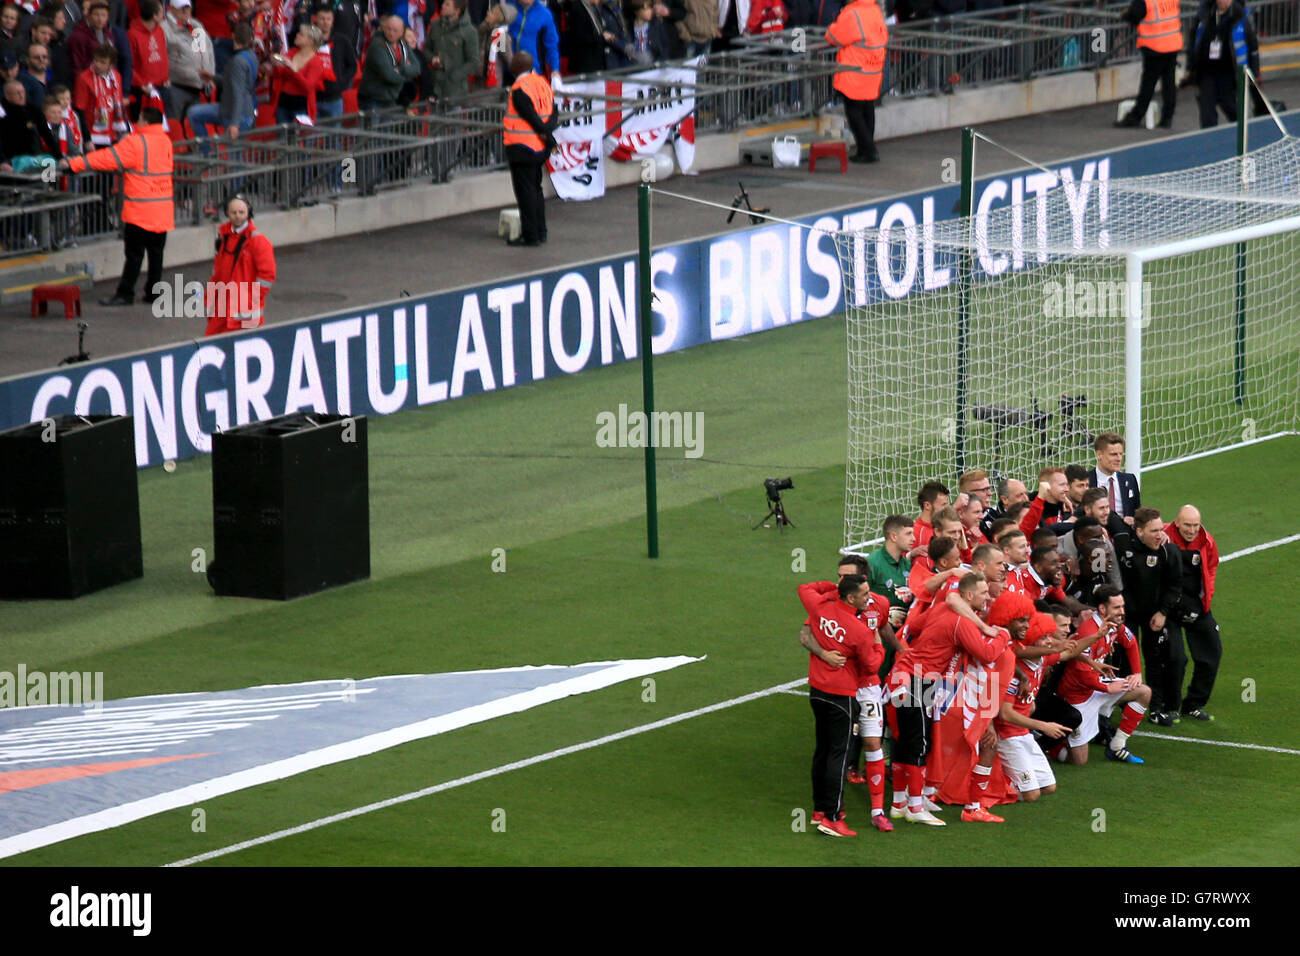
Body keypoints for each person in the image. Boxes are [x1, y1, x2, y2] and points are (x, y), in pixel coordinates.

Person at [887, 571, 1006, 826]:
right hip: (917, 681)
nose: (988, 597)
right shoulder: (961, 623)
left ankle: (899, 804)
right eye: (984, 593)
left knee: (905, 742)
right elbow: (986, 653)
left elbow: (914, 628)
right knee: (918, 745)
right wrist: (1003, 635)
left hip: (907, 675)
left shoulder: (941, 608)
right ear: (970, 595)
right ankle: (915, 808)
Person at [797, 573, 883, 837]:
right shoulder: (859, 631)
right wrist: (879, 646)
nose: (869, 599)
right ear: (850, 597)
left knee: (823, 750)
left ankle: (820, 810)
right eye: (865, 594)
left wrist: (833, 586)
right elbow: (871, 666)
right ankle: (833, 817)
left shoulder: (819, 607)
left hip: (817, 690)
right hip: (842, 695)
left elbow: (805, 587)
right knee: (840, 754)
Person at [60, 104, 172, 305]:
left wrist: (74, 164)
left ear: (144, 121)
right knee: (156, 254)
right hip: (162, 209)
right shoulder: (165, 141)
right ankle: (154, 293)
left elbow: (107, 158)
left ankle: (125, 293)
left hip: (140, 210)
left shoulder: (136, 142)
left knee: (134, 255)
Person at [1057, 585, 1151, 764]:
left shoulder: (1115, 625)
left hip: (1098, 686)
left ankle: (1117, 746)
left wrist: (1137, 673)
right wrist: (1107, 687)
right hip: (1078, 697)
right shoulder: (1088, 631)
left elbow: (1130, 643)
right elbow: (1081, 671)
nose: (1122, 611)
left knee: (1143, 691)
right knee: (1078, 761)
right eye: (1117, 607)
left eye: (1122, 606)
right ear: (1102, 608)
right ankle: (1051, 746)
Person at [1114, 506, 1184, 726]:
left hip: (1155, 614)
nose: (1159, 534)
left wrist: (1163, 612)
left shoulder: (1167, 551)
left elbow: (1175, 585)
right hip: (1128, 614)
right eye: (1153, 530)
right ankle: (1128, 704)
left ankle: (1156, 708)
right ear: (1139, 531)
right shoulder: (1122, 542)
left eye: (1160, 529)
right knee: (1126, 658)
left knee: (1156, 659)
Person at [1163, 504, 1220, 721]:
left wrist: (1207, 598)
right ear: (1177, 522)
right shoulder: (1164, 537)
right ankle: (1170, 706)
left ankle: (1193, 704)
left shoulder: (1207, 540)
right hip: (1170, 608)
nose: (1192, 529)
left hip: (1197, 606)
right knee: (1176, 658)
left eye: (1196, 525)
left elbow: (1212, 567)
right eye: (1187, 525)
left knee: (1212, 653)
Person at [502, 49, 554, 248]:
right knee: (536, 189)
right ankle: (541, 231)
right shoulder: (542, 83)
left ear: (518, 66)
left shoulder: (519, 88)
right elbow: (552, 113)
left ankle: (530, 235)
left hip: (522, 147)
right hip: (539, 148)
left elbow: (530, 116)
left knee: (526, 194)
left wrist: (545, 134)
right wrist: (548, 136)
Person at [204, 194, 275, 335]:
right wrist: (210, 301)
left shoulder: (258, 242)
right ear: (227, 213)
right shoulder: (223, 238)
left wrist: (248, 301)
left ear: (248, 213)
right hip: (222, 311)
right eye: (233, 212)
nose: (237, 216)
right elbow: (217, 273)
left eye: (241, 212)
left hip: (245, 315)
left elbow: (267, 277)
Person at [825, 0, 886, 164]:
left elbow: (835, 37)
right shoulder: (874, 9)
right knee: (867, 108)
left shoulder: (852, 13)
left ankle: (869, 149)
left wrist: (830, 28)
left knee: (854, 112)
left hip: (855, 69)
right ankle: (865, 149)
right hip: (873, 67)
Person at [1187, 0, 1263, 129]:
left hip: (1229, 72)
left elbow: (1253, 47)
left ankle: (1243, 132)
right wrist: (1191, 66)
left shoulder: (1241, 16)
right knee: (1207, 113)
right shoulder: (1204, 14)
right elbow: (1194, 40)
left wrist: (1254, 72)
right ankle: (1209, 139)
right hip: (1207, 71)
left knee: (1230, 106)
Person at [1115, 0, 1181, 129]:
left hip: (1155, 45)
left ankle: (1136, 116)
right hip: (1172, 43)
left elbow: (1134, 16)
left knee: (1148, 84)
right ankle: (1167, 116)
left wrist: (1124, 15)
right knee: (1169, 83)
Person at [186, 19, 253, 137]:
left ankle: (206, 153)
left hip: (234, 114)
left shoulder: (238, 61)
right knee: (193, 113)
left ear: (233, 36)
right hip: (241, 111)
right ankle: (207, 154)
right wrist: (213, 78)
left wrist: (235, 124)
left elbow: (238, 93)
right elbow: (237, 82)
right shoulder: (252, 56)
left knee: (235, 155)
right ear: (250, 39)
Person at [163, 0, 213, 122]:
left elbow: (206, 53)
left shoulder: (196, 26)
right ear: (171, 9)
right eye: (181, 8)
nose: (185, 11)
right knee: (175, 126)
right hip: (176, 87)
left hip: (197, 88)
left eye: (187, 8)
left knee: (194, 129)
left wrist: (209, 75)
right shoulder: (164, 28)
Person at [357, 13, 419, 111]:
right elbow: (389, 75)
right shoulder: (377, 45)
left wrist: (400, 69)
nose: (391, 33)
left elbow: (417, 67)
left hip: (391, 99)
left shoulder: (402, 44)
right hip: (373, 100)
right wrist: (407, 75)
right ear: (384, 28)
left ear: (402, 32)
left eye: (395, 30)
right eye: (388, 29)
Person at [269, 20, 323, 123]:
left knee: (300, 137)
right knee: (282, 136)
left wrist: (294, 71)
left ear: (311, 41)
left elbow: (308, 87)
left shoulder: (316, 62)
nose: (297, 35)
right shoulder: (292, 52)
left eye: (301, 34)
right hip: (283, 103)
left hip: (301, 106)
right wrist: (276, 64)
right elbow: (279, 74)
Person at [71, 40, 126, 143]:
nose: (97, 64)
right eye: (96, 60)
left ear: (111, 65)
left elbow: (120, 105)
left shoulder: (116, 77)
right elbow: (80, 111)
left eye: (102, 62)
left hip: (114, 134)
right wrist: (87, 139)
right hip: (93, 135)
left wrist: (125, 130)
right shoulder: (84, 78)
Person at [423, 0, 476, 102]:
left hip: (455, 91)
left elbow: (473, 61)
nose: (442, 6)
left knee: (453, 116)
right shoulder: (435, 25)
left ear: (457, 10)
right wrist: (432, 59)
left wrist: (453, 77)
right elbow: (426, 49)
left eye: (447, 4)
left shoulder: (469, 31)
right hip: (434, 86)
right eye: (443, 3)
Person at [126, 0, 168, 121]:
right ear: (154, 16)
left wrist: (166, 77)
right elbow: (129, 65)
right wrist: (141, 84)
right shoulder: (132, 34)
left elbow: (163, 55)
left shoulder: (159, 30)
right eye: (161, 12)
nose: (164, 15)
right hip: (143, 91)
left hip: (162, 87)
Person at [1089, 431, 1140, 527]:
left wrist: (1134, 520)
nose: (1119, 458)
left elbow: (1137, 512)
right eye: (1113, 454)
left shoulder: (1130, 480)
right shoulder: (1086, 481)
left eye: (1120, 454)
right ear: (1099, 454)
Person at [507, 0, 558, 76]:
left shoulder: (544, 14)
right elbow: (498, 37)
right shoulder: (507, 9)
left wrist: (555, 70)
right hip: (507, 70)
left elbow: (552, 45)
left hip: (533, 71)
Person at [478, 1, 512, 87]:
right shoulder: (483, 28)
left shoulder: (500, 35)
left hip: (492, 79)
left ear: (498, 17)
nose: (488, 13)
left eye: (492, 13)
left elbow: (507, 57)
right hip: (478, 77)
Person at [910, 479, 948, 553]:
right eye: (943, 505)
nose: (947, 508)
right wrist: (910, 555)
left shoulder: (946, 527)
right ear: (927, 505)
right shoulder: (915, 533)